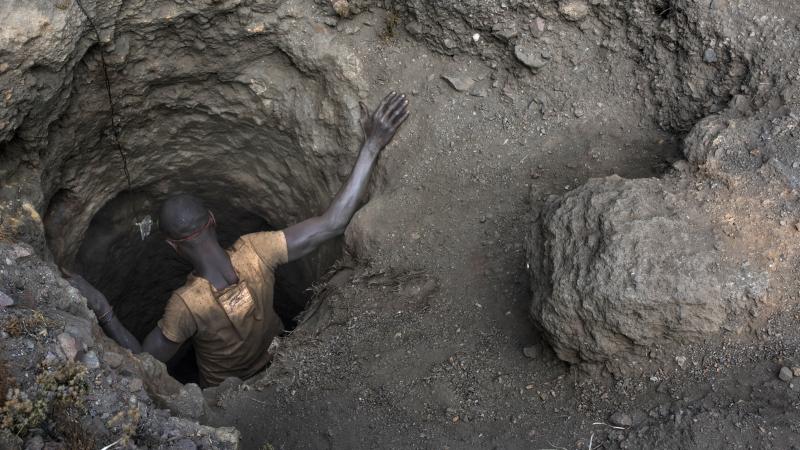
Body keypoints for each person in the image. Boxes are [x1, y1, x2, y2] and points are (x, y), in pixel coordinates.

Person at [64, 92, 410, 387]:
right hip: (280, 360)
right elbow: (333, 223)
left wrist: (103, 308)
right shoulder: (257, 250)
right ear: (213, 220)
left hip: (224, 394)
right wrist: (372, 144)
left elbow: (144, 360)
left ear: (172, 245)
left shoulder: (186, 305)